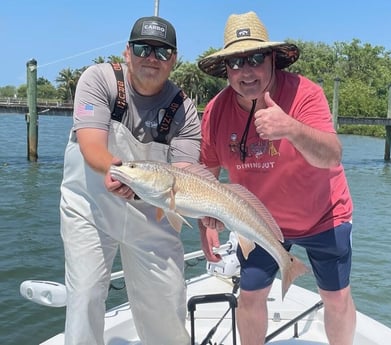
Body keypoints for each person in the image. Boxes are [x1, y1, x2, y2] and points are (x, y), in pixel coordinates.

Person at [197, 11, 356, 345]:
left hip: (324, 214)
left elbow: (332, 155)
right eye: (235, 63)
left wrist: (291, 129)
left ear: (272, 59)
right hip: (259, 221)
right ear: (225, 69)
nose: (246, 71)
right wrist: (206, 224)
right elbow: (206, 174)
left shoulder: (305, 94)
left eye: (255, 58)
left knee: (336, 297)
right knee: (250, 296)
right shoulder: (215, 111)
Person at [59, 15, 201, 345]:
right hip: (89, 208)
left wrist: (211, 213)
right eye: (143, 48)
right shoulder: (99, 80)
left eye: (163, 52)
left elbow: (183, 178)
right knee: (85, 295)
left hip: (153, 212)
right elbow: (91, 145)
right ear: (127, 52)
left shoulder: (184, 110)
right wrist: (116, 170)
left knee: (168, 302)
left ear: (174, 60)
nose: (152, 58)